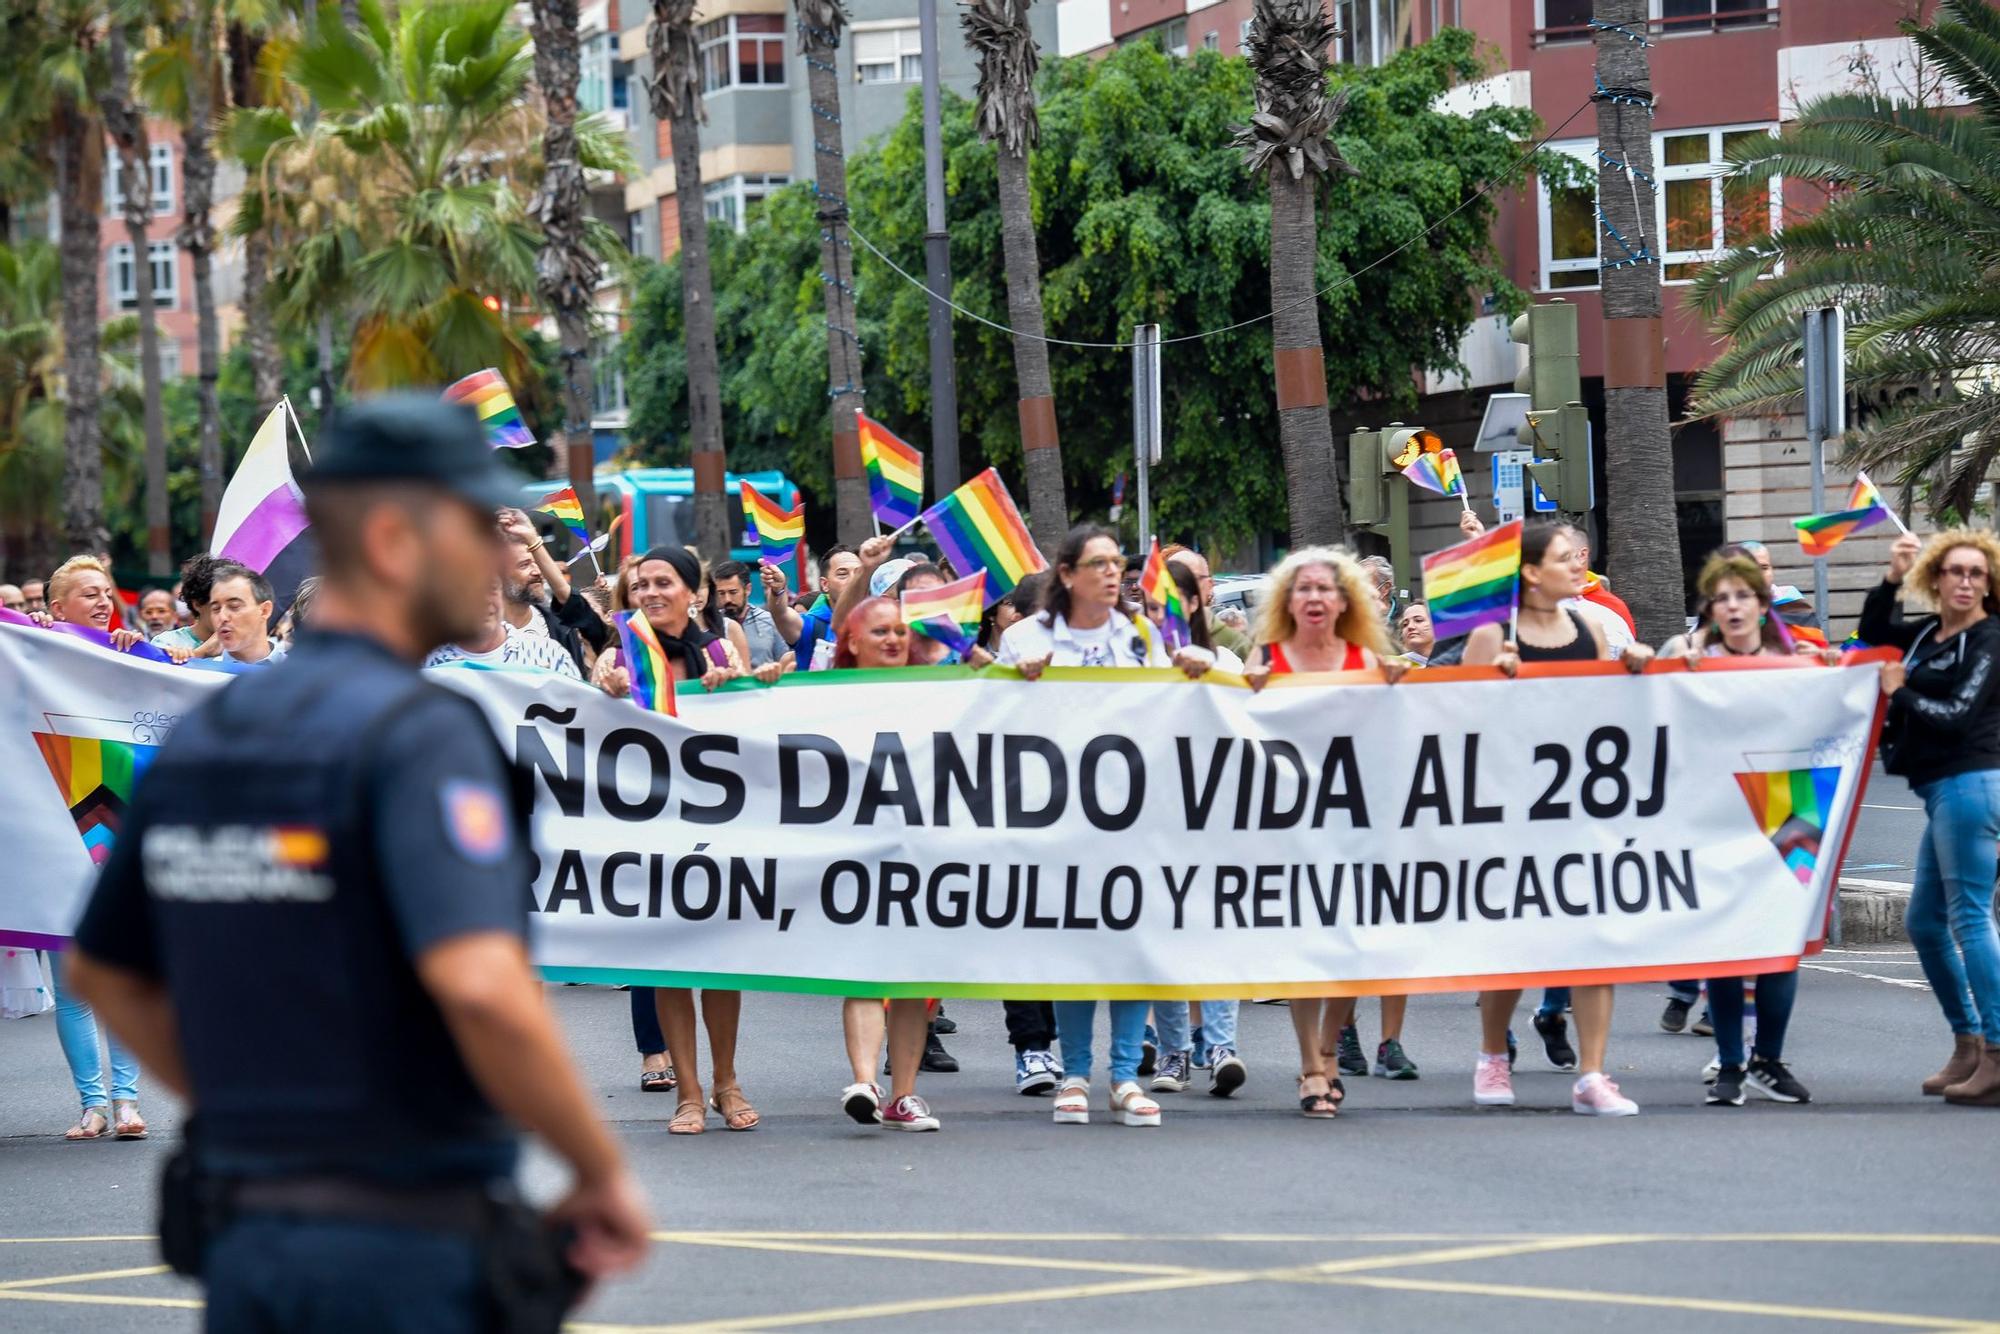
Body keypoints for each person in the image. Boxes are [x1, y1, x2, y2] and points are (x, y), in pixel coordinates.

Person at [63, 394, 650, 1330]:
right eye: (470, 524)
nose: (498, 555)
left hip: (253, 1246)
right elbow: (482, 985)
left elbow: (103, 967)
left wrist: (244, 1106)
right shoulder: (419, 733)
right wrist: (600, 1167)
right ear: (392, 538)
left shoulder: (212, 733)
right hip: (406, 1249)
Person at [998, 526, 1212, 1128]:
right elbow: (982, 709)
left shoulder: (1144, 636)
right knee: (1073, 943)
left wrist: (1196, 668)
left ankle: (1123, 1076)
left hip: (1138, 814)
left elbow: (1186, 696)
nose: (1113, 573)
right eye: (1098, 564)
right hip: (1059, 815)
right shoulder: (1023, 637)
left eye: (1117, 563)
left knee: (1130, 943)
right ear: (1067, 574)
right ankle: (1074, 1072)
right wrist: (1017, 682)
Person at [1463, 521, 1653, 1116]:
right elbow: (1453, 723)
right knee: (1515, 941)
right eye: (1565, 558)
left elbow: (1605, 713)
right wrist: (1495, 686)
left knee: (1592, 939)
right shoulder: (1492, 635)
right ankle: (1493, 1055)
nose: (1579, 566)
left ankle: (1593, 1074)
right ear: (1530, 572)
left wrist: (1636, 673)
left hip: (1577, 809)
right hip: (1511, 816)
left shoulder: (1593, 627)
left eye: (1578, 557)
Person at [594, 546, 766, 1133]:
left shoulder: (723, 646)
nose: (650, 593)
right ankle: (687, 1093)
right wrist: (608, 689)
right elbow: (597, 709)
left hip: (719, 832)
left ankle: (727, 1082)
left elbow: (757, 727)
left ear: (694, 592)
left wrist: (740, 686)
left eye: (663, 582)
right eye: (641, 585)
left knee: (720, 965)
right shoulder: (621, 654)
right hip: (650, 832)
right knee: (669, 962)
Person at [1662, 552, 1838, 1106]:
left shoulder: (1799, 656)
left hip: (1789, 804)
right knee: (1725, 943)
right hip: (1716, 810)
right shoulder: (1687, 656)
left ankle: (1768, 1059)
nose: (1734, 606)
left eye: (1744, 596)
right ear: (1711, 608)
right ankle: (1732, 1064)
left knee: (1780, 942)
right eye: (1723, 598)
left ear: (1762, 606)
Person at [1241, 547, 1399, 1117]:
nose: (1313, 597)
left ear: (1343, 600)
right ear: (1289, 599)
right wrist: (1243, 688)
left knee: (1350, 953)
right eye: (1303, 588)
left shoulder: (1366, 657)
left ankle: (1331, 1050)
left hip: (1354, 830)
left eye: (1324, 589)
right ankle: (1311, 1066)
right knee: (1303, 951)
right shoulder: (1267, 658)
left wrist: (1399, 688)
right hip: (1289, 832)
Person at [1862, 529, 2000, 1106]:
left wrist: (1901, 693)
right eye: (1955, 572)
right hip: (1944, 788)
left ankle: (1996, 1051)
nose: (1965, 581)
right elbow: (1873, 635)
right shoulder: (1926, 636)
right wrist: (1891, 577)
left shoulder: (1990, 638)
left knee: (1969, 918)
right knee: (1924, 922)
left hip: (1973, 783)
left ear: (1988, 584)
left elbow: (1958, 714)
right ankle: (1968, 1044)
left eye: (1977, 573)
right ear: (1936, 579)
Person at [826, 596, 948, 1131]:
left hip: (922, 854)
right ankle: (865, 1081)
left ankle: (904, 1095)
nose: (895, 640)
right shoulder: (820, 698)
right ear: (852, 643)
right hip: (853, 854)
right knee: (862, 967)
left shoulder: (941, 696)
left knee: (914, 981)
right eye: (880, 632)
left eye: (901, 631)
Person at [496, 509, 611, 673]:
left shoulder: (563, 629)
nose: (537, 571)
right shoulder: (478, 638)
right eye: (524, 565)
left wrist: (532, 537)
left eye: (538, 562)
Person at [425, 580, 583, 679]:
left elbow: (582, 717)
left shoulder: (549, 654)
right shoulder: (428, 666)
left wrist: (550, 688)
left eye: (492, 588)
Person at [47, 555, 188, 661]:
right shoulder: (39, 649)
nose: (104, 603)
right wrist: (34, 624)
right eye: (91, 595)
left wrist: (172, 658)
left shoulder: (125, 650)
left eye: (108, 595)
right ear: (59, 609)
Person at [763, 544, 862, 669]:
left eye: (859, 573)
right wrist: (778, 590)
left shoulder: (878, 622)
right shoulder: (811, 625)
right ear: (825, 584)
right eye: (842, 574)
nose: (853, 580)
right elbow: (780, 614)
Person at [1165, 546, 1253, 659]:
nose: (1178, 589)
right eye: (1170, 581)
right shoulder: (1150, 639)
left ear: (1209, 585)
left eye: (1191, 579)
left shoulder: (1236, 644)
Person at [710, 559, 789, 668]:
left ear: (747, 589)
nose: (727, 599)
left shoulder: (769, 621)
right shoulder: (711, 623)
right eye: (721, 593)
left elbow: (785, 661)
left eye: (733, 592)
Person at [209, 566, 287, 666]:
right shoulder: (200, 674)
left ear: (264, 610)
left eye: (234, 606)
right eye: (215, 609)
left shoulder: (302, 674)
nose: (222, 617)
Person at [152, 554, 224, 654]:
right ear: (197, 604)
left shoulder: (246, 646)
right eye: (217, 607)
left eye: (234, 606)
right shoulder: (166, 642)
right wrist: (201, 652)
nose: (227, 615)